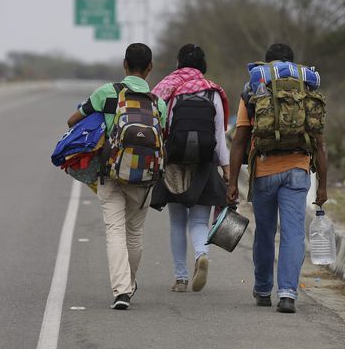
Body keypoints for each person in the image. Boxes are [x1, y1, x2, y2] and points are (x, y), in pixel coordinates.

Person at [227, 43, 328, 314]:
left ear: (267, 64)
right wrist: (324, 187)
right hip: (298, 170)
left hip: (264, 170)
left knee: (265, 231)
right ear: (293, 65)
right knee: (293, 233)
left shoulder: (253, 88)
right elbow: (319, 143)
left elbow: (239, 141)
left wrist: (231, 182)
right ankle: (287, 294)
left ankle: (262, 290)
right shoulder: (307, 88)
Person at [66, 43, 167, 310]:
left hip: (110, 174)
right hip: (145, 178)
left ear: (124, 65)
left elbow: (73, 120)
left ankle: (122, 291)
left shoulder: (106, 93)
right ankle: (129, 284)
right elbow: (163, 137)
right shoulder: (159, 103)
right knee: (134, 233)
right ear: (150, 68)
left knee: (115, 231)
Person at [150, 44, 230, 293]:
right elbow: (219, 136)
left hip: (175, 163)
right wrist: (227, 170)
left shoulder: (169, 89)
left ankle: (181, 277)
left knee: (176, 221)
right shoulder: (213, 92)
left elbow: (162, 128)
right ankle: (201, 254)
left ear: (178, 63)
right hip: (204, 164)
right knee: (198, 220)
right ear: (202, 66)